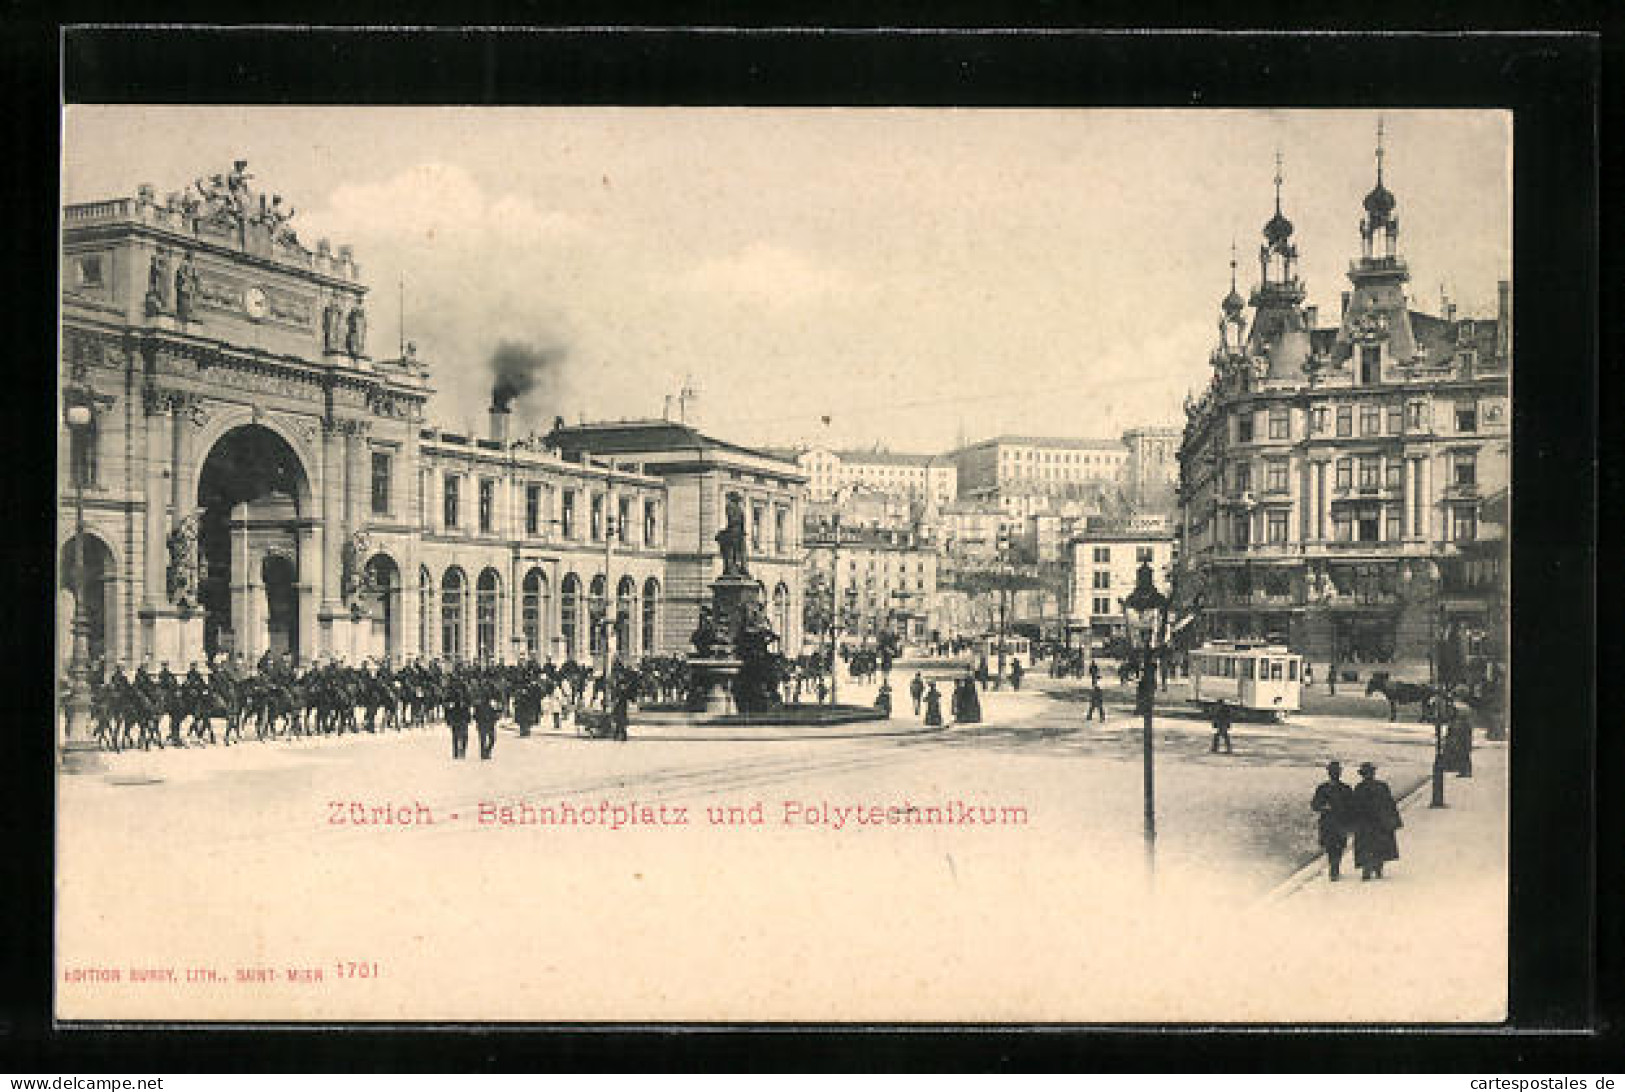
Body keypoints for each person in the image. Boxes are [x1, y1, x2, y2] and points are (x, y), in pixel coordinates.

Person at [1351, 761, 1402, 880]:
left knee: (1367, 846)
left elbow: (1354, 807)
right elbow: (1390, 805)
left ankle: (1369, 869)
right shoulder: (1380, 786)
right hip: (1377, 822)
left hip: (1368, 823)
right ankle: (1374, 868)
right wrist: (1393, 821)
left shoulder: (1360, 788)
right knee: (1378, 845)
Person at [1310, 761, 1356, 881]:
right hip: (1339, 822)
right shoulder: (1345, 788)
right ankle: (1334, 869)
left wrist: (1323, 807)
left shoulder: (1323, 788)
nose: (1335, 774)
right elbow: (1352, 807)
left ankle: (1334, 869)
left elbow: (1315, 805)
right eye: (1334, 772)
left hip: (1329, 823)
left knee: (1332, 846)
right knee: (1337, 846)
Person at [445, 680, 471, 760]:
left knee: (464, 735)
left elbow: (469, 704)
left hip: (463, 716)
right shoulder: (450, 694)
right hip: (455, 716)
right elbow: (446, 706)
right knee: (456, 735)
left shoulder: (465, 694)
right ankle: (456, 752)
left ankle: (462, 751)